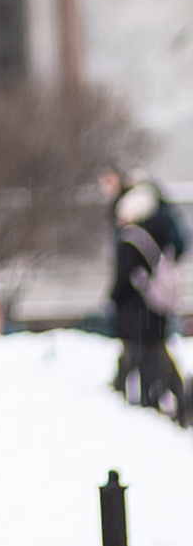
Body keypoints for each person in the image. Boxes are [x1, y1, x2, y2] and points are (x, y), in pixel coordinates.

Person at [105, 172, 187, 419]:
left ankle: (145, 401)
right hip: (154, 307)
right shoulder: (156, 230)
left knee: (141, 355)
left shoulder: (130, 238)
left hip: (136, 310)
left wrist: (113, 298)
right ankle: (166, 397)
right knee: (154, 353)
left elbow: (123, 277)